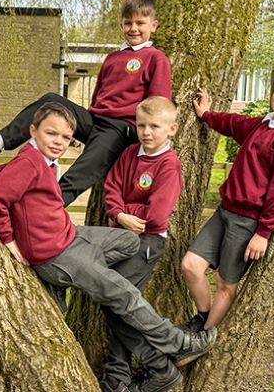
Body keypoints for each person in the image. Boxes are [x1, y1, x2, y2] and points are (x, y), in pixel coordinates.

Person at [0, 101, 215, 392]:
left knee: (128, 241)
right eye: (51, 134)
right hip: (58, 254)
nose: (59, 142)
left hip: (72, 235)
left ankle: (91, 275)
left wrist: (118, 215)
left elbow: (2, 179)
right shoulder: (30, 162)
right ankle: (176, 343)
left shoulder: (36, 160)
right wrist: (9, 240)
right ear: (33, 130)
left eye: (66, 138)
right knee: (124, 295)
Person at [0, 0, 172, 207]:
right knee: (51, 100)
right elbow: (99, 95)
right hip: (95, 120)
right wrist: (80, 122)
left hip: (121, 129)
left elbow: (158, 105)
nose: (134, 28)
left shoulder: (155, 58)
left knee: (82, 170)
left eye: (140, 23)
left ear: (154, 25)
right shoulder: (113, 58)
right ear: (121, 25)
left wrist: (144, 137)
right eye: (128, 23)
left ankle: (46, 208)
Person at [180, 65, 274, 333]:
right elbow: (233, 124)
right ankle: (202, 319)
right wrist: (207, 115)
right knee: (190, 265)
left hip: (248, 223)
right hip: (224, 211)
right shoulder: (263, 124)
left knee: (224, 283)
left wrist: (264, 233)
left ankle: (204, 335)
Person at [100, 96, 183, 392]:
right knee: (117, 304)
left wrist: (127, 213)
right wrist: (119, 213)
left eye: (155, 127)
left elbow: (157, 216)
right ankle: (118, 377)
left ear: (171, 129)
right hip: (121, 236)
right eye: (141, 125)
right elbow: (112, 187)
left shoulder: (169, 165)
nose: (147, 132)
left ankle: (158, 366)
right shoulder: (131, 154)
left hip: (147, 243)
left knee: (116, 302)